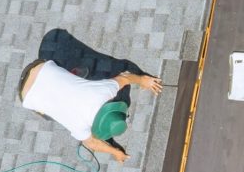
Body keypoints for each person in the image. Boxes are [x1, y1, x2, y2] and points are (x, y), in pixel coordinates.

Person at [17, 59, 162, 163]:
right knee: (48, 115)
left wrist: (143, 80)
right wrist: (115, 152)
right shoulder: (78, 126)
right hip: (25, 95)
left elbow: (125, 77)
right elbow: (91, 143)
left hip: (41, 66)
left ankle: (74, 74)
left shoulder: (104, 91)